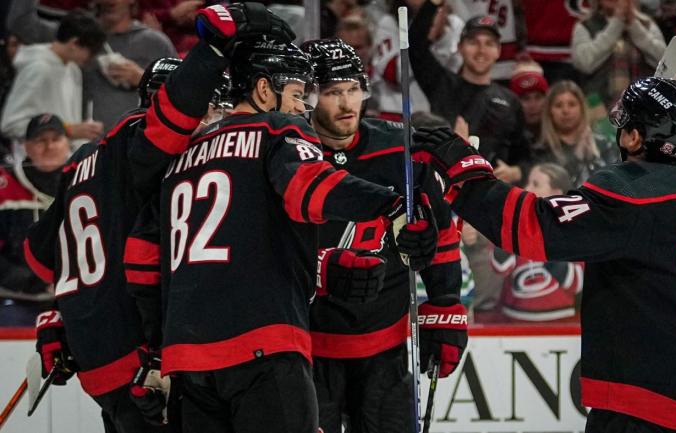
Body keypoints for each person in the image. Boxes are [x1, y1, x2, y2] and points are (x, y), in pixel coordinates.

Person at [123, 30, 437, 433]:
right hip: (262, 346)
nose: (300, 107)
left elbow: (141, 261)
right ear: (261, 88)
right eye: (294, 93)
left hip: (188, 359)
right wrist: (392, 205)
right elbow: (310, 187)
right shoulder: (276, 131)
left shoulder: (182, 158)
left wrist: (155, 353)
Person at [412, 76, 676, 433]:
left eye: (626, 128)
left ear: (635, 136)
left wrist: (463, 168)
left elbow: (534, 226)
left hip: (645, 391)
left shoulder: (631, 197)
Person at [23, 3, 299, 431]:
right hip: (140, 357)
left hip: (93, 358)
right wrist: (218, 43)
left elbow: (42, 256)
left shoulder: (81, 162)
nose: (211, 119)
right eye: (206, 106)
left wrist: (59, 316)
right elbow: (140, 257)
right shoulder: (144, 147)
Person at [301, 38, 466, 433]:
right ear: (308, 96)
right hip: (307, 348)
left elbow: (441, 236)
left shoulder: (400, 151)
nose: (346, 104)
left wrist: (444, 306)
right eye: (332, 93)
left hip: (386, 348)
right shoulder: (289, 153)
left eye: (353, 90)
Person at [410, 1, 530, 185]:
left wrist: (517, 171)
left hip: (491, 196)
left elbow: (525, 154)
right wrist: (431, 5)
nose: (481, 50)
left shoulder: (510, 101)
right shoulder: (441, 83)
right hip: (445, 188)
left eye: (489, 43)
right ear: (460, 47)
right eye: (474, 42)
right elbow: (416, 45)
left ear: (498, 51)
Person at [481, 163, 584, 324]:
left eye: (535, 184)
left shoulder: (572, 231)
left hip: (561, 324)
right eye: (528, 182)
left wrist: (544, 244)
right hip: (512, 322)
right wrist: (511, 229)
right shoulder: (513, 224)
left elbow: (577, 282)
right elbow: (500, 268)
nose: (526, 188)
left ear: (556, 193)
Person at [0, 114, 70, 326]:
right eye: (40, 140)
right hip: (16, 300)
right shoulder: (5, 188)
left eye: (56, 139)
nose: (49, 147)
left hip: (74, 298)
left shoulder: (85, 184)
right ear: (26, 147)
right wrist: (32, 281)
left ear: (67, 144)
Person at [1, 10, 106, 144]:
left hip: (66, 160)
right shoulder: (38, 69)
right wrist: (67, 130)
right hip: (35, 161)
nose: (92, 59)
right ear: (74, 43)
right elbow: (11, 124)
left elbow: (71, 124)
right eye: (91, 52)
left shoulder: (73, 70)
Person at [83, 0, 177, 129]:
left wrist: (143, 79)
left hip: (140, 138)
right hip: (92, 140)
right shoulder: (83, 41)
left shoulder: (156, 42)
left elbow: (179, 92)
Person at [571, 0, 666, 107]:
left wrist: (634, 26)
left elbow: (665, 61)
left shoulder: (647, 24)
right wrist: (616, 24)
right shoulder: (585, 26)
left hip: (644, 106)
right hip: (600, 109)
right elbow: (584, 63)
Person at [536, 80, 617, 186]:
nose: (565, 111)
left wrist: (595, 157)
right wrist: (577, 157)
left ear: (582, 108)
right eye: (558, 105)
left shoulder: (605, 145)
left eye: (572, 104)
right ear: (549, 112)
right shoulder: (541, 153)